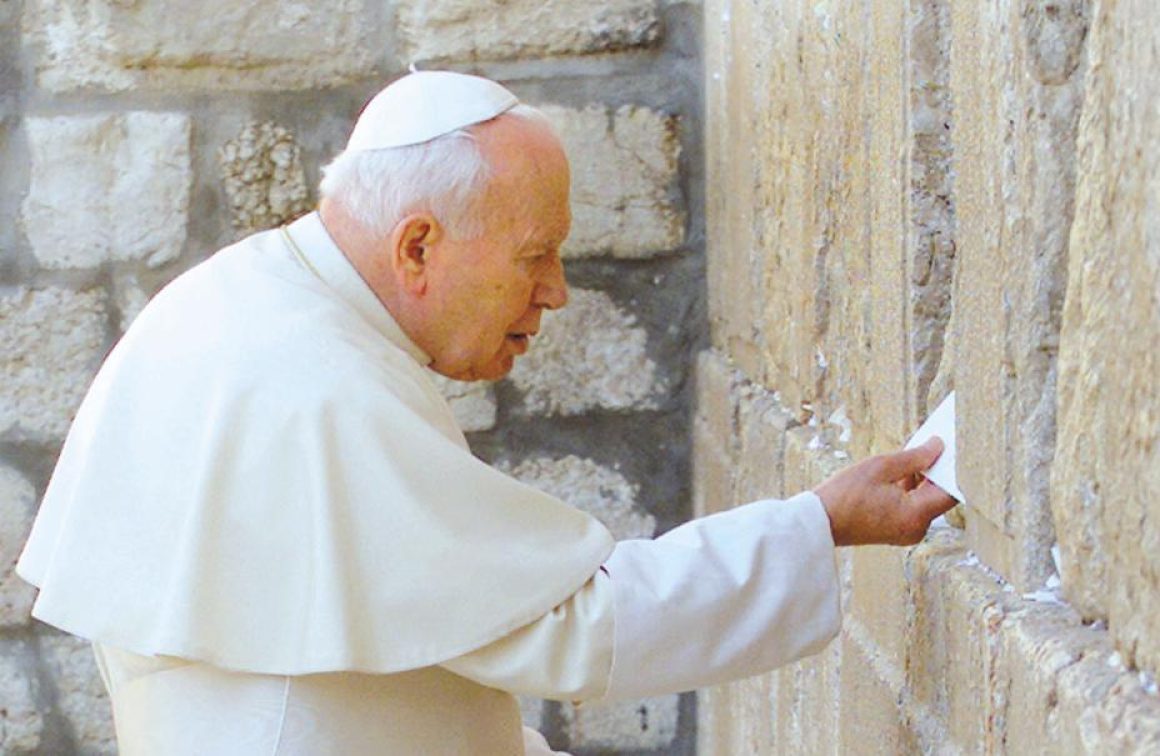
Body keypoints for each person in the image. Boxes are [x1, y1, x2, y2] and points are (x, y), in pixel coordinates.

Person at [17, 71, 955, 754]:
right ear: (418, 244)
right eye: (535, 255)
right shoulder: (319, 383)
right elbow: (574, 623)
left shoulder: (245, 300)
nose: (555, 294)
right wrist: (820, 524)